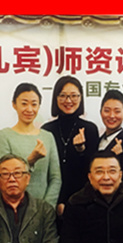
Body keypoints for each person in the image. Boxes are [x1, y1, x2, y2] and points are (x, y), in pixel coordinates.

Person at [0, 83, 61, 208]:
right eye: (24, 103)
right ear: (14, 104)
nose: (29, 109)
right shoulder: (4, 135)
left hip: (43, 208)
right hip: (13, 207)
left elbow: (55, 178)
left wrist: (47, 208)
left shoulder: (47, 137)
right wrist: (31, 160)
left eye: (34, 104)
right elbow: (6, 176)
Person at [42, 75, 99, 215]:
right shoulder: (46, 130)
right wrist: (59, 200)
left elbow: (91, 170)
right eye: (63, 96)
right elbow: (46, 171)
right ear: (56, 98)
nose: (68, 100)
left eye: (74, 96)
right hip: (51, 199)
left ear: (81, 98)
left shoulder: (90, 129)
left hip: (84, 201)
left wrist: (81, 150)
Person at [97, 89, 123, 186]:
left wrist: (119, 157)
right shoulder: (96, 141)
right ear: (100, 112)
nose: (111, 116)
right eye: (107, 111)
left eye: (117, 111)